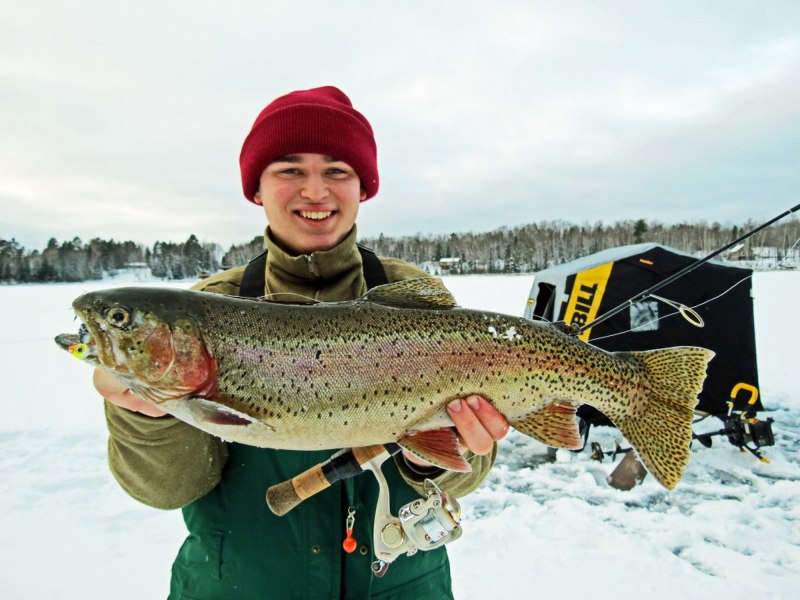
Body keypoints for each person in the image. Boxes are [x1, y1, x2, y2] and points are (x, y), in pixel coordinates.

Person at [94, 86, 509, 599]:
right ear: (256, 188)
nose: (316, 191)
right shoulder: (207, 306)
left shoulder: (413, 300)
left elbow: (468, 472)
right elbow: (167, 489)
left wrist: (431, 458)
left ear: (363, 187)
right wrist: (146, 412)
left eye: (337, 170)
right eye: (289, 170)